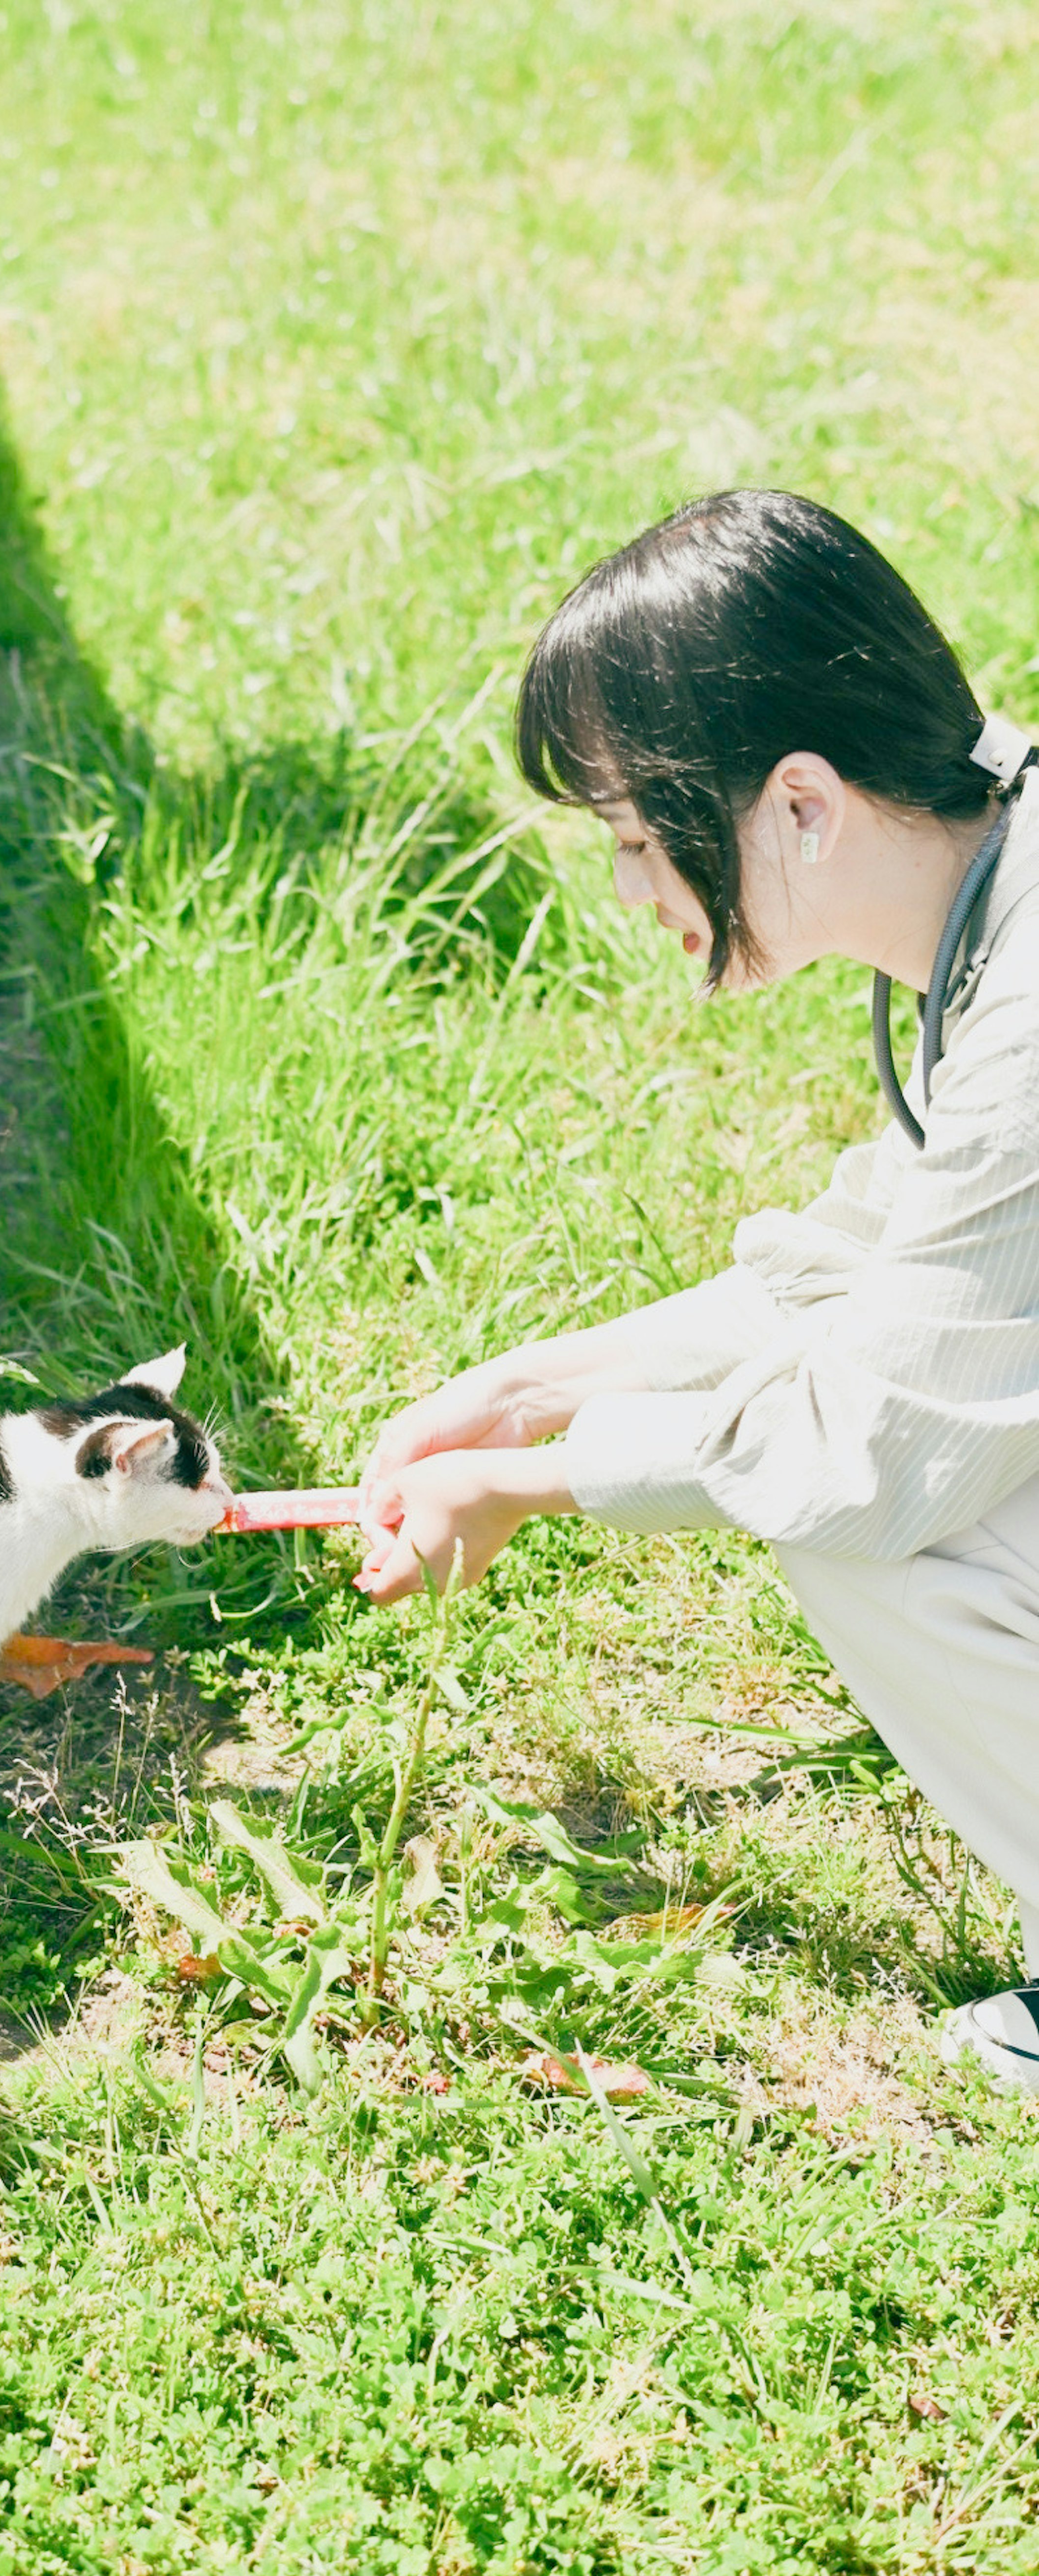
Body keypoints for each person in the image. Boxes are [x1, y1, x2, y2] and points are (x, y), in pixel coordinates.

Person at [355, 488, 1039, 2092]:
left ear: (797, 807)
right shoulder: (994, 882)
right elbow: (876, 1265)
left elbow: (874, 1439)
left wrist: (528, 1481)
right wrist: (522, 1385)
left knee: (869, 1523)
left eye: (640, 842)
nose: (632, 898)